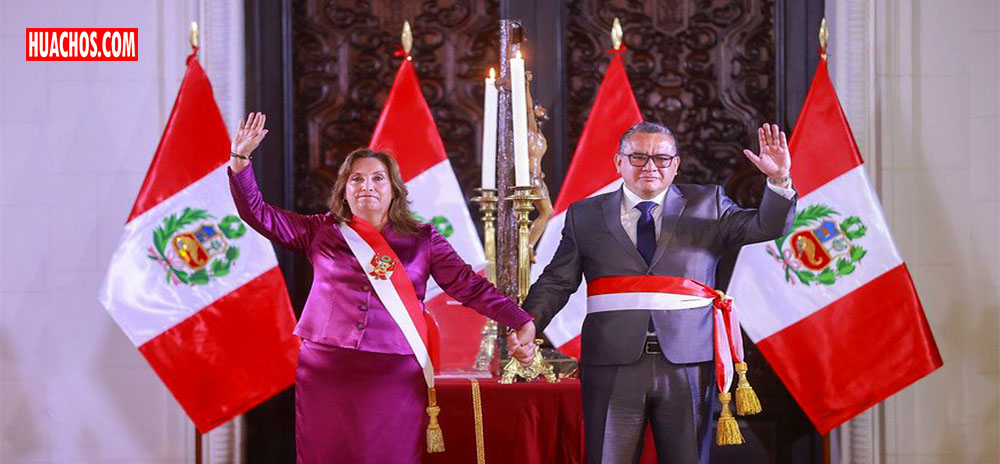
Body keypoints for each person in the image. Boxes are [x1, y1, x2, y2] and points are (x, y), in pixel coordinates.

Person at [227, 112, 536, 464]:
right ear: (344, 190)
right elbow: (258, 213)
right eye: (356, 179)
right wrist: (240, 160)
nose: (367, 186)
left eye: (377, 178)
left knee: (390, 453)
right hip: (327, 366)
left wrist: (519, 319)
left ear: (394, 190)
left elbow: (468, 285)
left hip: (395, 369)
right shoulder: (319, 231)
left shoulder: (423, 239)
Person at [523, 121, 797, 463]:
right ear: (618, 162)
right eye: (637, 157)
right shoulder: (585, 215)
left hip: (688, 361)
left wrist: (778, 180)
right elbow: (557, 280)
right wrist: (528, 322)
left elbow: (767, 225)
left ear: (676, 164)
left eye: (661, 158)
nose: (650, 166)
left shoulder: (709, 203)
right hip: (611, 362)